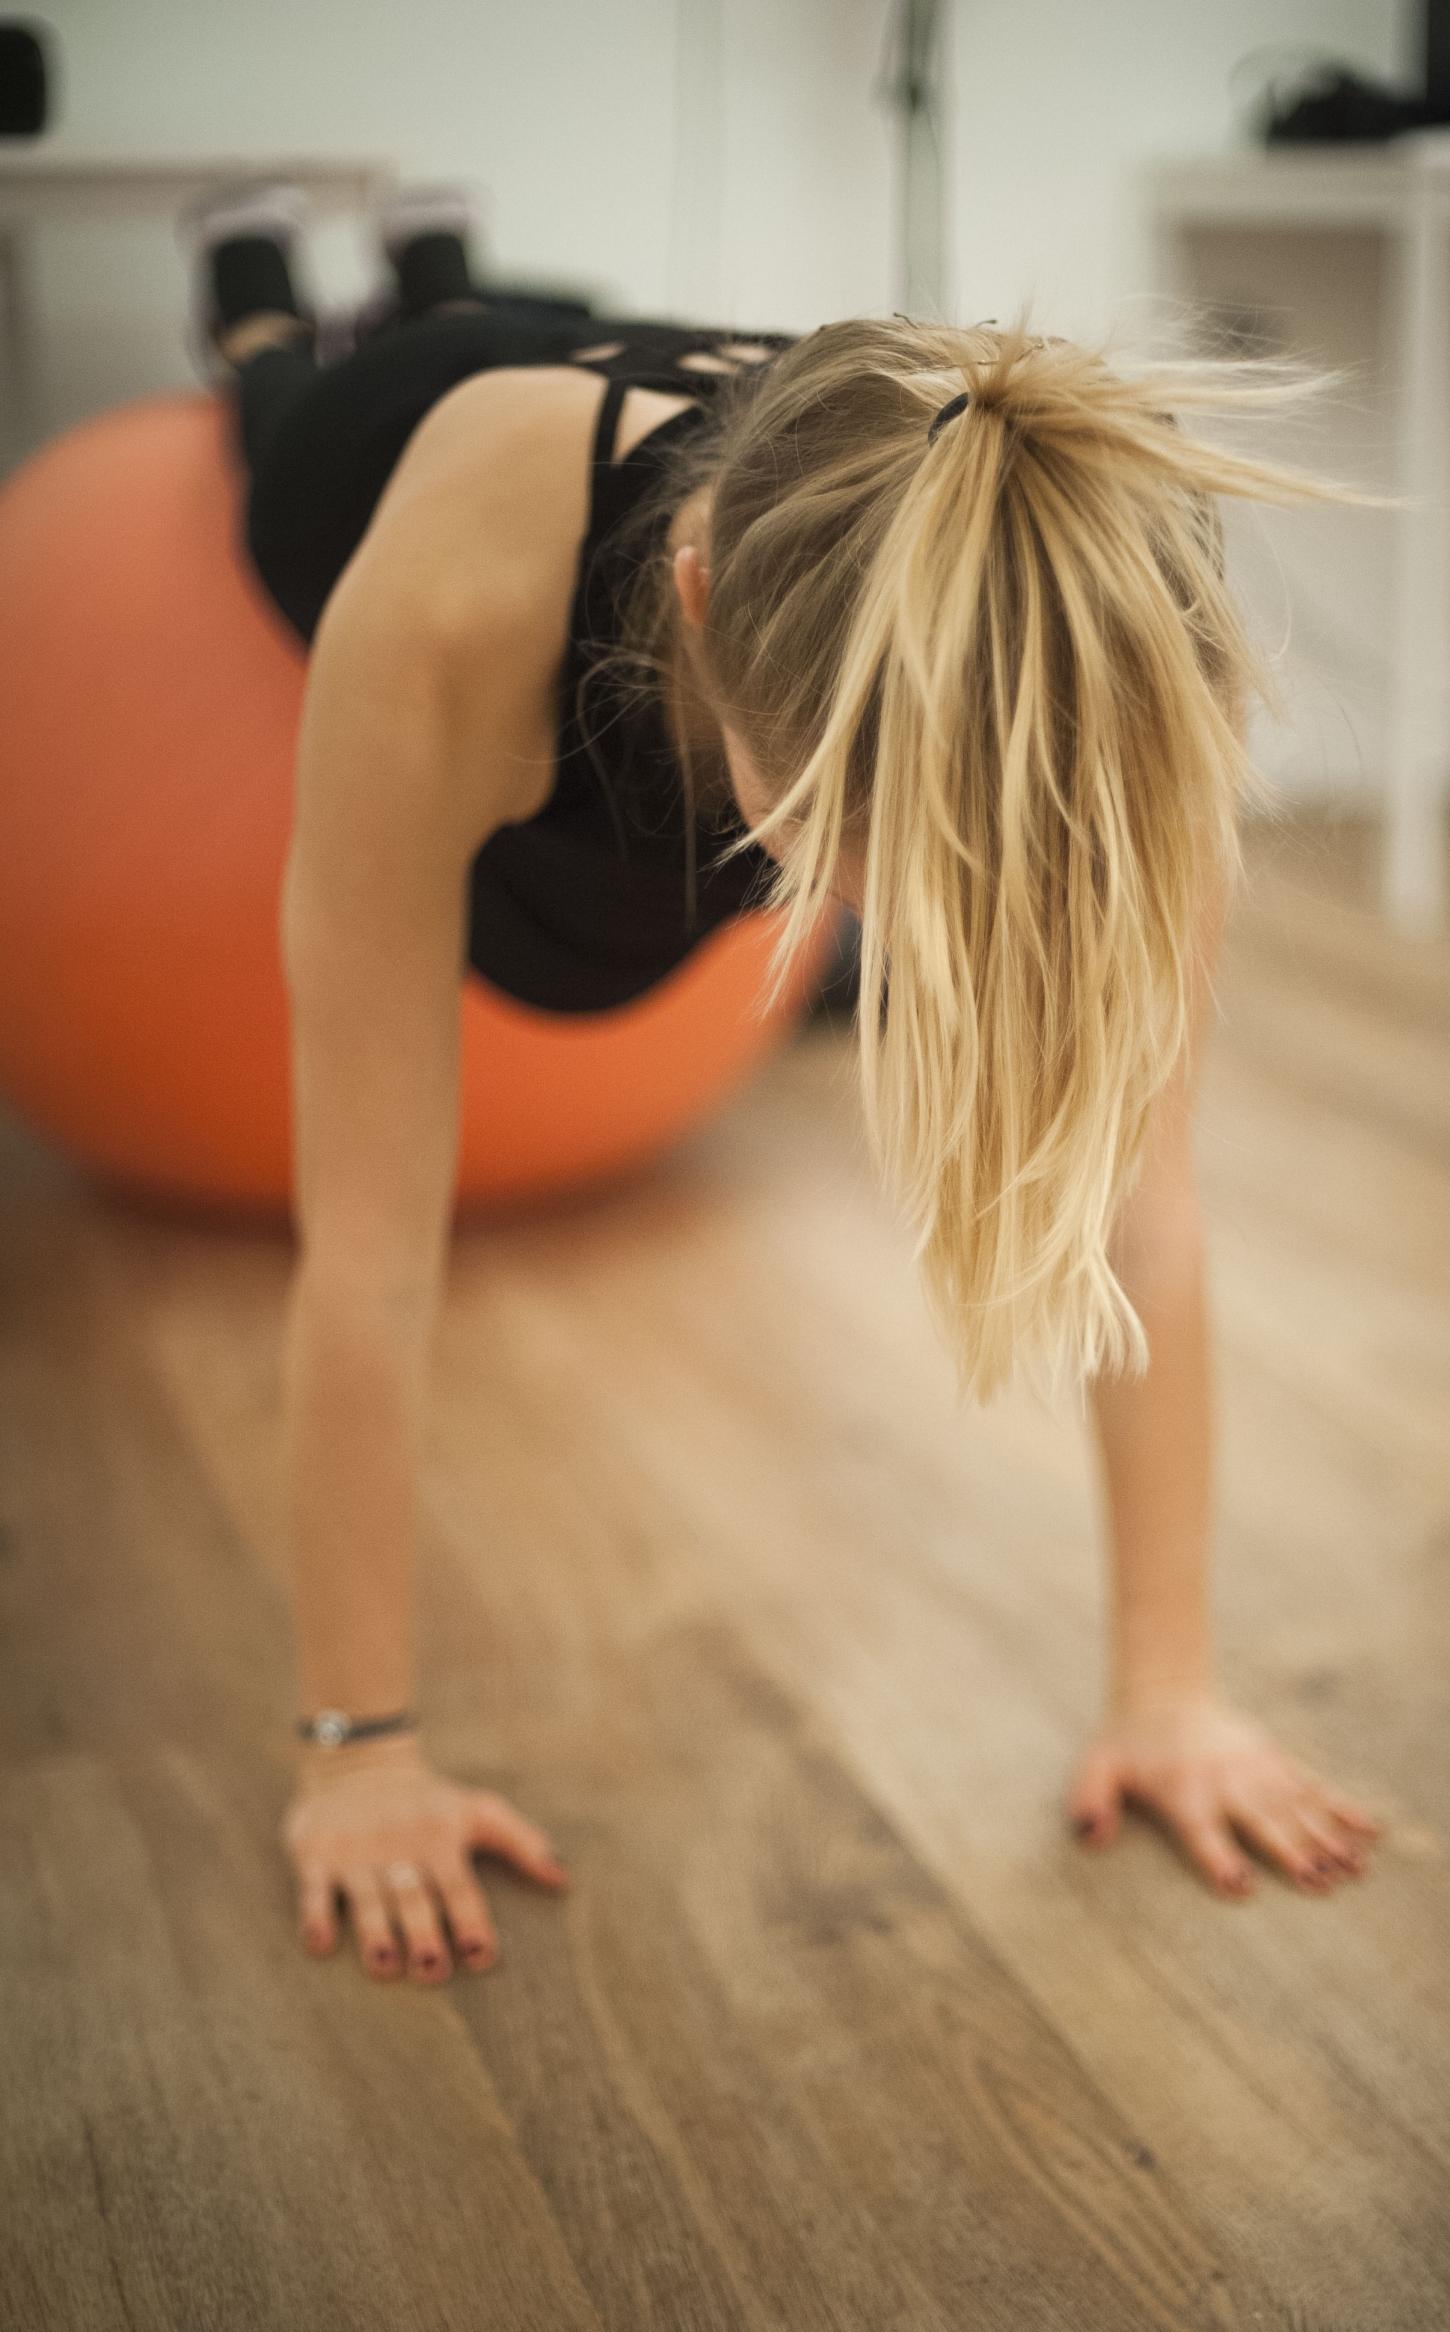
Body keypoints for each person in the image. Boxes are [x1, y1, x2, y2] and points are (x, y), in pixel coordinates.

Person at [182, 180, 1382, 1987]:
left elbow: (1145, 1202)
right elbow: (367, 1247)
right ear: (696, 600)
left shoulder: (1113, 654)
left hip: (718, 461)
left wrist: (1173, 1689)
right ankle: (270, 309)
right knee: (288, 407)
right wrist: (362, 1752)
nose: (917, 916)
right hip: (417, 441)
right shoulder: (441, 617)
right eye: (858, 836)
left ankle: (448, 249)